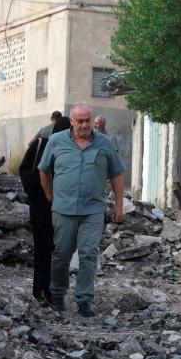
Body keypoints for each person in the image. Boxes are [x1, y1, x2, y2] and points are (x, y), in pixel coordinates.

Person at [37, 104, 125, 317]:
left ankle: (84, 299)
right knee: (61, 254)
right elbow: (43, 170)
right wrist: (50, 196)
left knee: (88, 254)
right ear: (72, 122)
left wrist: (119, 204)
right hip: (63, 209)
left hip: (92, 210)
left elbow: (117, 173)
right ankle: (57, 295)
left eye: (88, 120)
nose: (85, 125)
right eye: (80, 121)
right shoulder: (56, 142)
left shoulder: (104, 144)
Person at [20, 116, 72, 304]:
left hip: (65, 209)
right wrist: (41, 190)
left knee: (60, 250)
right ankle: (42, 290)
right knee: (43, 248)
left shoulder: (73, 151)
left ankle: (55, 291)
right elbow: (24, 170)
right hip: (41, 208)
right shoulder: (40, 146)